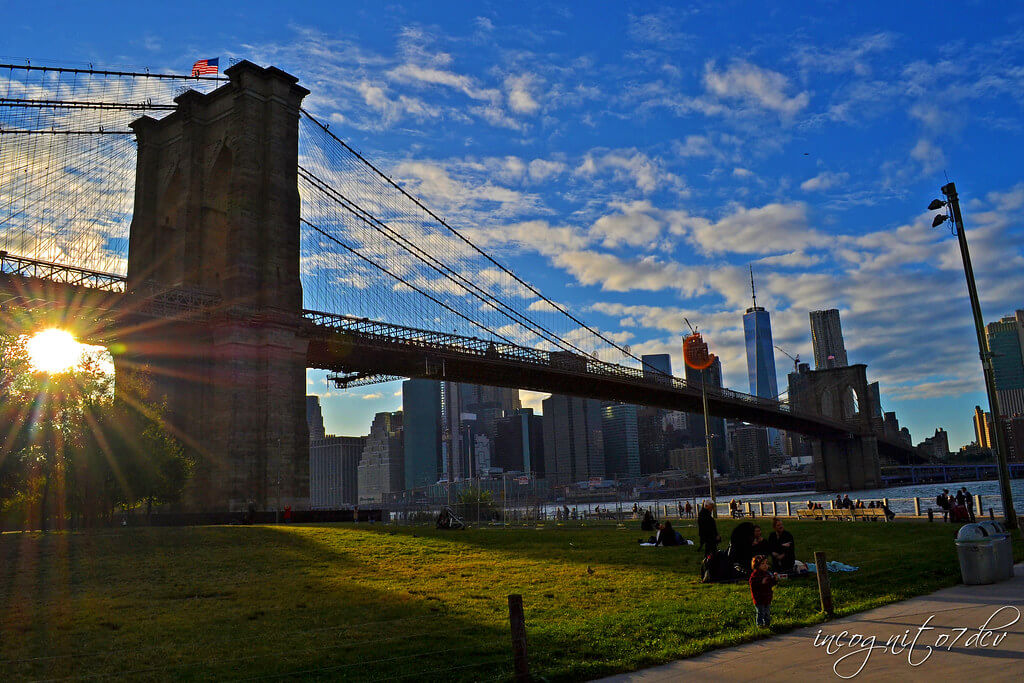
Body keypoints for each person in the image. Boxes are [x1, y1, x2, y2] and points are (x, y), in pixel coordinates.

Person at [749, 555, 778, 628]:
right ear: (757, 565)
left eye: (766, 563)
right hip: (759, 598)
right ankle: (760, 625)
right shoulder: (755, 575)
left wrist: (774, 579)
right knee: (760, 612)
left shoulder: (767, 573)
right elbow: (753, 585)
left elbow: (771, 583)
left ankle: (767, 625)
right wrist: (761, 582)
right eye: (763, 564)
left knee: (767, 612)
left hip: (767, 597)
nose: (765, 566)